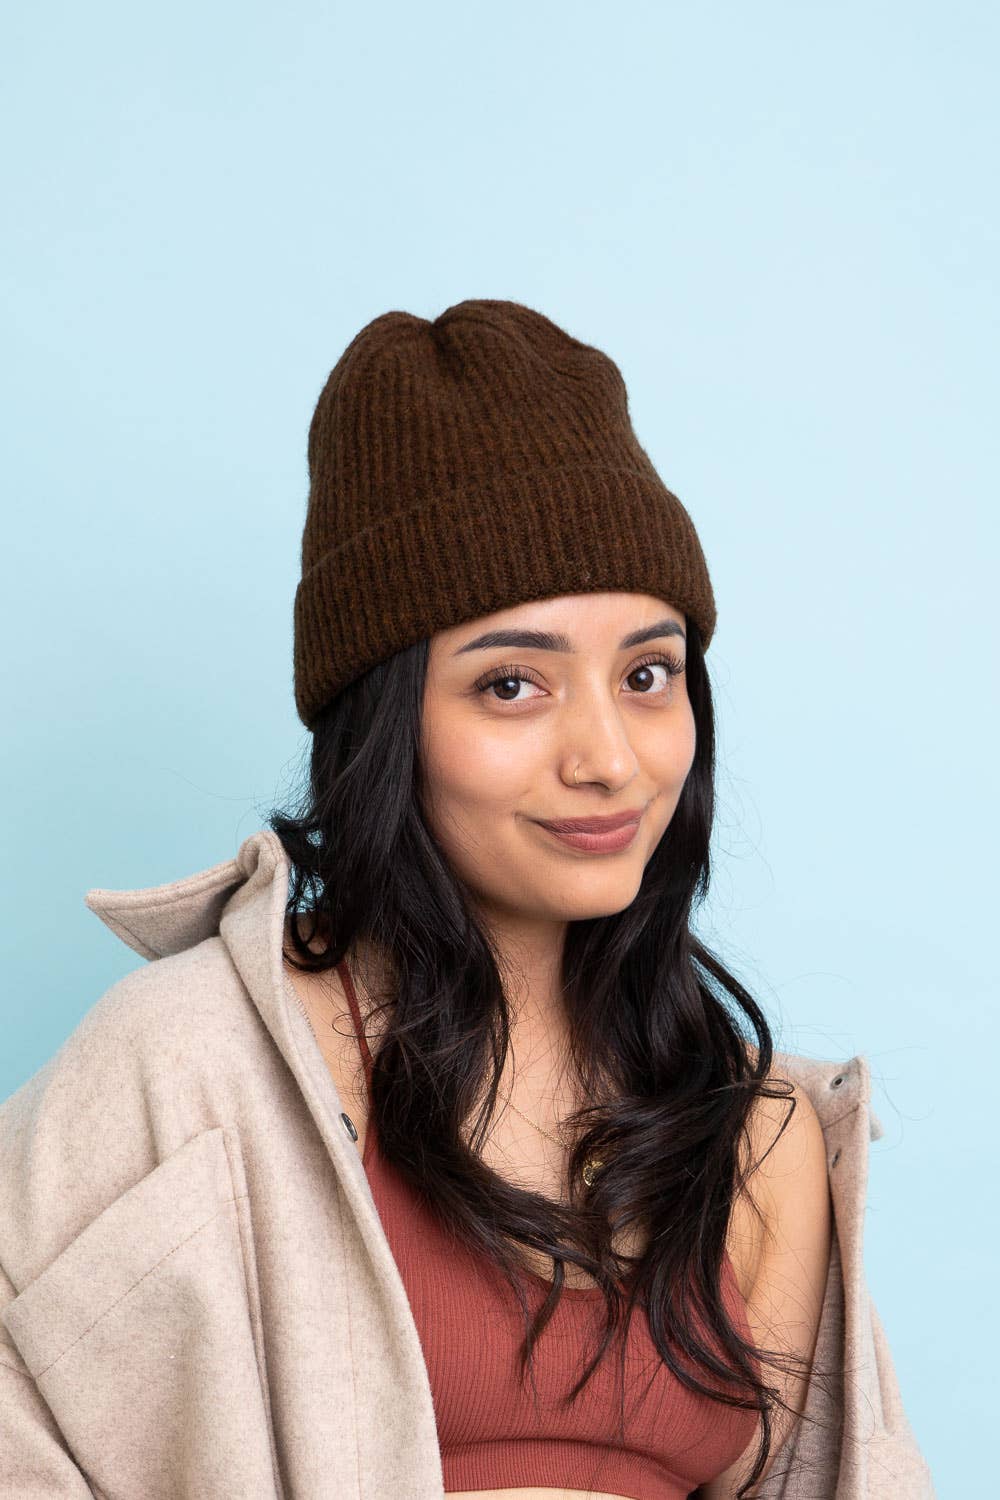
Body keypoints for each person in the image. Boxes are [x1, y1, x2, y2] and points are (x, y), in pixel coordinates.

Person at [0, 300, 934, 1499]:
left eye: (648, 674)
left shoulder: (758, 1137)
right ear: (386, 720)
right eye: (511, 686)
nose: (609, 757)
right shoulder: (193, 1068)